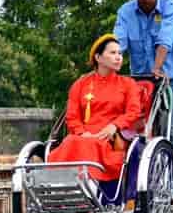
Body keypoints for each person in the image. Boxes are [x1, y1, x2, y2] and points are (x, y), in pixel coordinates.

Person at [113, 0, 173, 151]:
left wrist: (157, 68)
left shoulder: (171, 6)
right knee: (133, 133)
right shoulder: (125, 11)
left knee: (171, 135)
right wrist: (105, 70)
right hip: (139, 81)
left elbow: (165, 40)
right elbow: (118, 44)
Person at [48, 35, 142, 184]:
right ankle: (59, 191)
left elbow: (133, 112)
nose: (118, 57)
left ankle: (88, 192)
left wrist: (114, 126)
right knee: (71, 142)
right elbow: (72, 116)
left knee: (88, 145)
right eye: (113, 53)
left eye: (120, 53)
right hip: (82, 136)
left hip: (109, 138)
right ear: (98, 57)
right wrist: (82, 133)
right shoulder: (80, 84)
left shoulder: (128, 84)